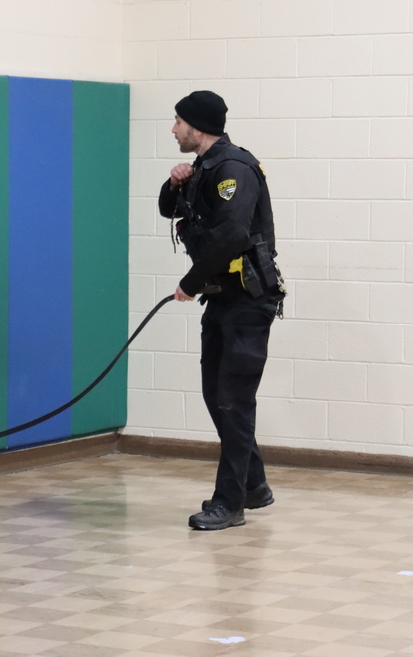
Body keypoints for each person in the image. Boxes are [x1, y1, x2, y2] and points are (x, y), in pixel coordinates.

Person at [158, 90, 284, 531]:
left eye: (177, 121)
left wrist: (188, 284)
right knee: (217, 396)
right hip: (222, 298)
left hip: (248, 302)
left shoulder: (234, 169)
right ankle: (252, 484)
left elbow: (231, 235)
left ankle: (229, 503)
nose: (173, 129)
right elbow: (169, 212)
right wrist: (174, 184)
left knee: (234, 401)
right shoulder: (204, 167)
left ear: (197, 126)